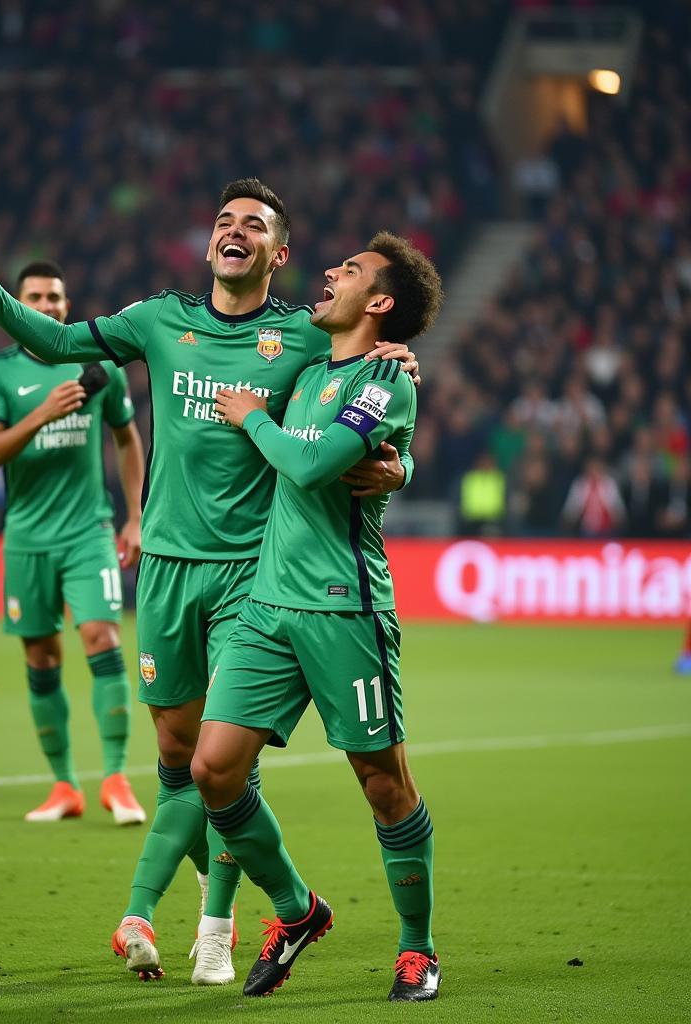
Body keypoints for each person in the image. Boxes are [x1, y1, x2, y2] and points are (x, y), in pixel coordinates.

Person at [0, 181, 418, 985]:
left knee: (222, 760)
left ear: (279, 253)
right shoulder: (160, 319)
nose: (235, 231)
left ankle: (219, 925)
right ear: (209, 244)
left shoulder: (302, 334)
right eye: (225, 221)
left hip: (253, 577)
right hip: (163, 568)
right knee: (174, 751)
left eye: (254, 225)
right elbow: (57, 344)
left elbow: (368, 397)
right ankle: (263, 898)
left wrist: (401, 461)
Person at [194, 232, 443, 1001]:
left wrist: (251, 420)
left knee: (383, 785)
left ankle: (417, 949)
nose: (330, 272)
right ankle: (298, 910)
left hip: (344, 609)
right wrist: (397, 465)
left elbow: (307, 464)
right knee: (212, 771)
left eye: (352, 270)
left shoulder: (384, 380)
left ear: (380, 302)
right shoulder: (306, 371)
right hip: (267, 607)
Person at [0, 260, 147, 826]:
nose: (47, 305)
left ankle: (116, 778)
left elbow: (128, 440)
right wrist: (43, 414)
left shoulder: (98, 369)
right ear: (18, 306)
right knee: (41, 657)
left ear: (67, 306)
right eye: (36, 296)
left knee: (100, 635)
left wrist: (134, 517)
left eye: (56, 297)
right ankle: (64, 785)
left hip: (87, 531)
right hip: (25, 539)